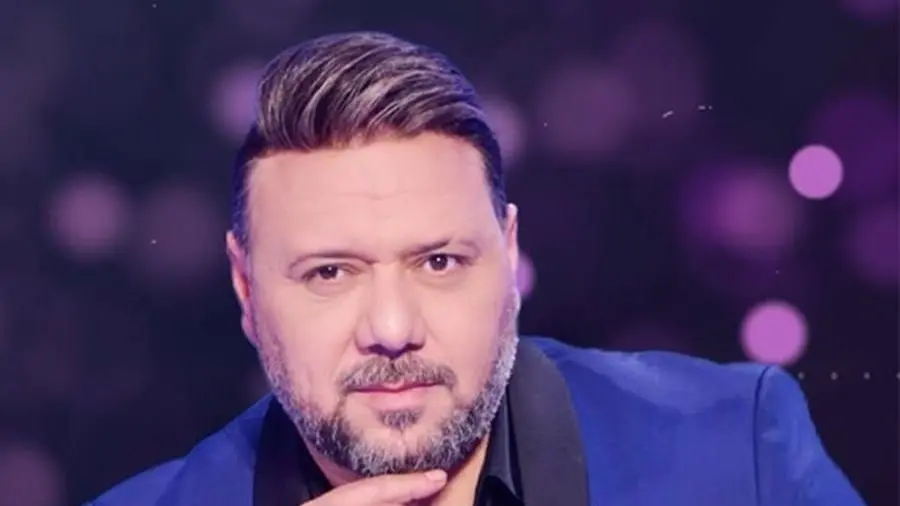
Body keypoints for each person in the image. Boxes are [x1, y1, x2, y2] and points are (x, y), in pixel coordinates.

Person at [86, 32, 865, 506]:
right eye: (330, 274)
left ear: (510, 255)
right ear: (246, 289)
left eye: (439, 261)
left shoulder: (737, 449)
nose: (393, 328)